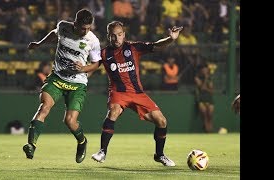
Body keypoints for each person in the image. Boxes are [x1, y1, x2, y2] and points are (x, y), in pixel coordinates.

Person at [74, 21, 183, 166]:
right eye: (113, 36)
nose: (117, 38)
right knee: (113, 112)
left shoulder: (133, 47)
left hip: (138, 93)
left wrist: (171, 39)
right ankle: (102, 152)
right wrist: (83, 71)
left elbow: (156, 46)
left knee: (162, 121)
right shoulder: (105, 53)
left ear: (123, 35)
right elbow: (94, 66)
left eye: (119, 35)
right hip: (118, 92)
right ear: (109, 36)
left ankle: (160, 155)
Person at [22, 9, 102, 163]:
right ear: (75, 24)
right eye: (82, 28)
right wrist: (39, 44)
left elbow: (96, 63)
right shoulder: (63, 26)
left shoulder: (93, 40)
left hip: (77, 83)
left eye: (88, 28)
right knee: (44, 106)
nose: (85, 31)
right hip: (57, 78)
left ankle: (82, 141)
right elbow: (54, 33)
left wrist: (83, 69)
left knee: (70, 121)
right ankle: (31, 144)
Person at [194, 63, 214, 133]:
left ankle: (210, 130)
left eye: (206, 69)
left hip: (209, 98)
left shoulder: (210, 78)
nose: (205, 71)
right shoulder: (197, 78)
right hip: (201, 99)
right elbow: (202, 88)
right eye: (203, 69)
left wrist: (206, 88)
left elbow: (211, 90)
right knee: (204, 114)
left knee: (210, 114)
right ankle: (207, 130)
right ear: (201, 70)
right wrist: (205, 79)